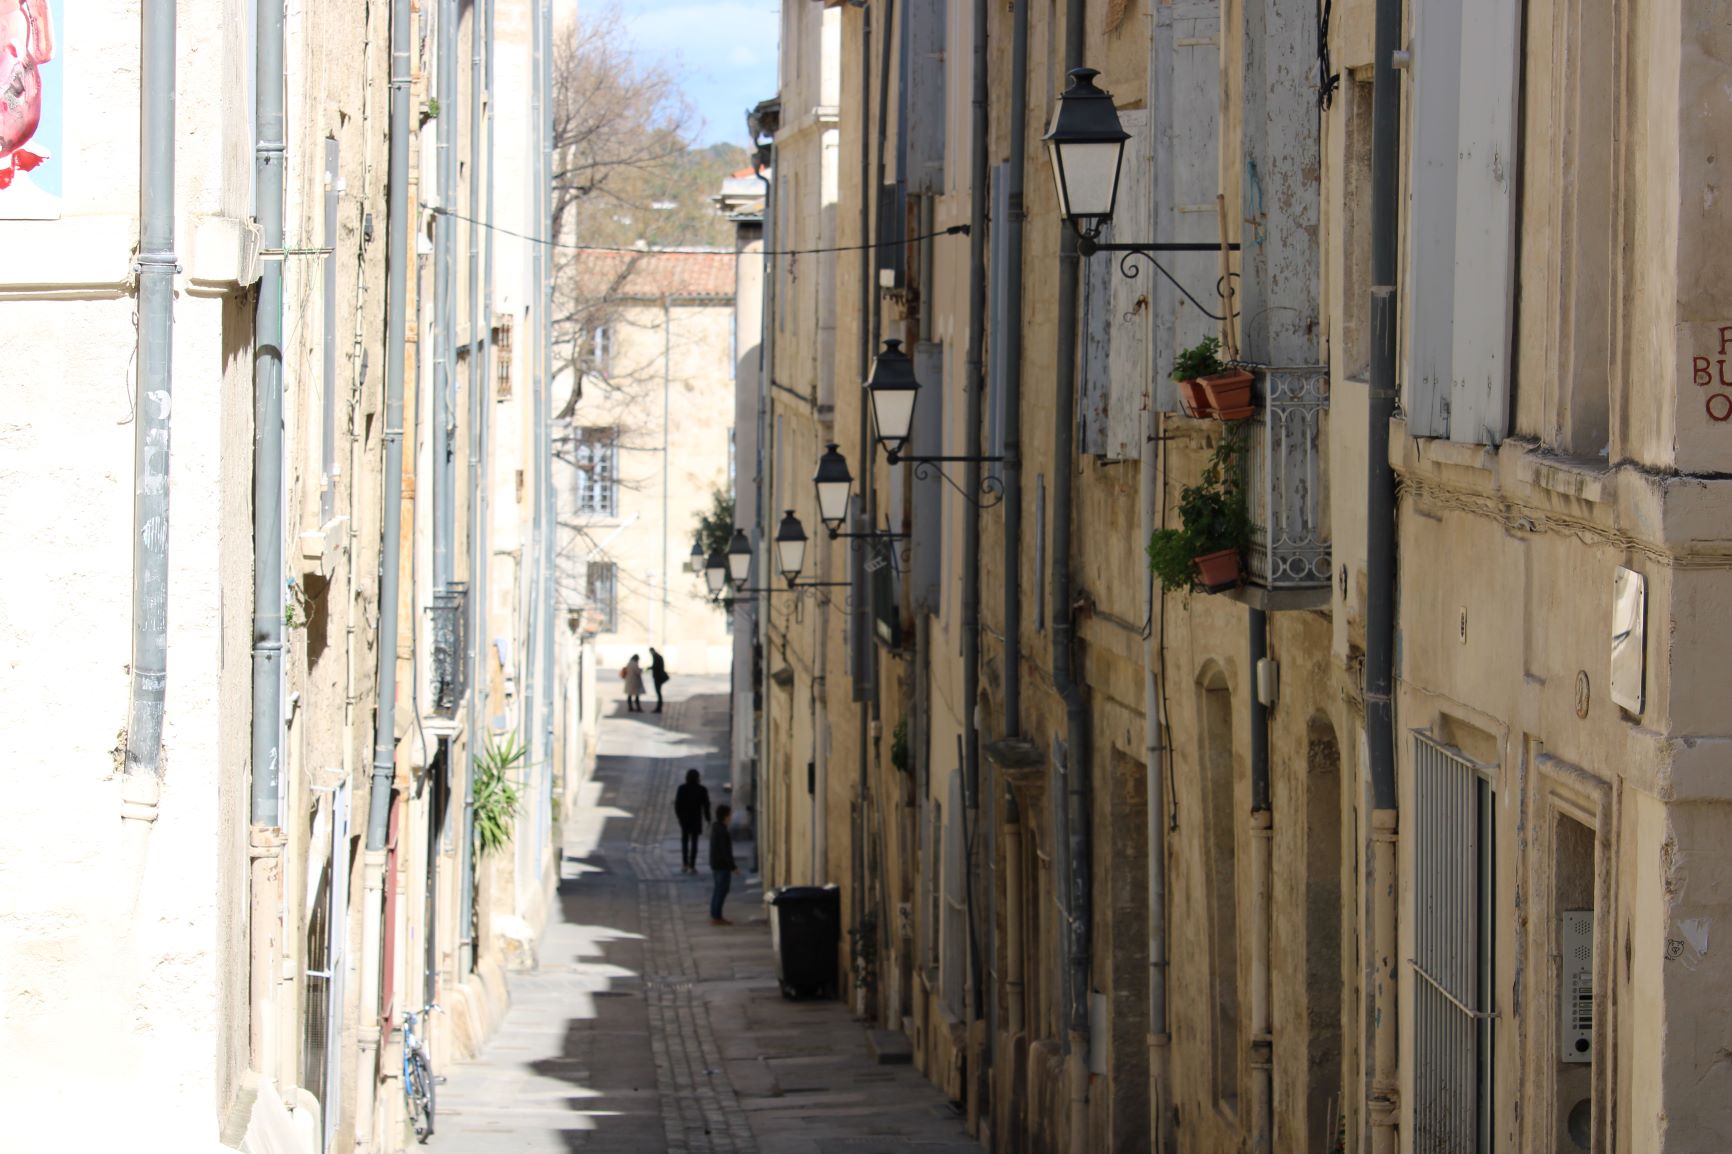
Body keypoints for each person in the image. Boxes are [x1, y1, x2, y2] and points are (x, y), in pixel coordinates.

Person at [673, 768, 711, 874]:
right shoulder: (702, 789)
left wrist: (679, 817)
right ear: (698, 778)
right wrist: (708, 818)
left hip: (685, 819)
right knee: (694, 842)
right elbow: (706, 806)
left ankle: (685, 864)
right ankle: (692, 866)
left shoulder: (682, 788)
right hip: (696, 818)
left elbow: (677, 805)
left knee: (685, 841)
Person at [709, 804, 739, 925]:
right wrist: (733, 867)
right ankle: (717, 916)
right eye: (730, 814)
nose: (731, 817)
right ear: (725, 816)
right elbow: (725, 851)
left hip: (716, 864)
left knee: (718, 890)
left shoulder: (716, 829)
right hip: (722, 865)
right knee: (722, 890)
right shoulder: (722, 831)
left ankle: (715, 914)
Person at [648, 647, 670, 713]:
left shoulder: (656, 657)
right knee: (659, 692)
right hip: (659, 677)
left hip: (657, 677)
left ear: (652, 651)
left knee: (658, 692)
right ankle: (659, 707)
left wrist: (648, 668)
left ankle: (659, 708)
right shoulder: (659, 656)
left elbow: (655, 667)